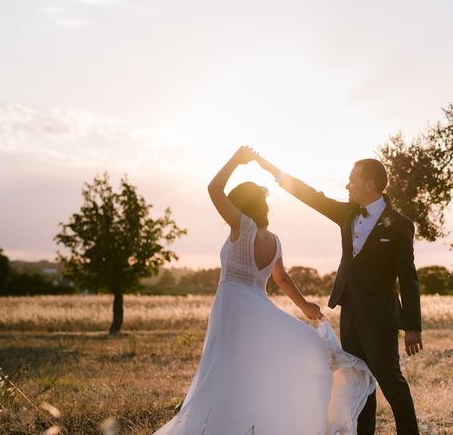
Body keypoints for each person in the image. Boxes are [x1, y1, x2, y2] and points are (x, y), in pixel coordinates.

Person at [154, 146, 375, 435]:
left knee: (222, 371)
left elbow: (213, 188)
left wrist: (235, 159)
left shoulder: (241, 226)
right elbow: (282, 279)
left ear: (240, 205)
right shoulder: (274, 240)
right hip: (257, 306)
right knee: (250, 371)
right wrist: (304, 305)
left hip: (232, 307)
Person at [254, 151, 423, 435]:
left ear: (370, 185)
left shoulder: (400, 225)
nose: (347, 186)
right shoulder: (347, 213)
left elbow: (409, 277)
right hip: (350, 310)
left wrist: (412, 326)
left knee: (389, 378)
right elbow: (312, 196)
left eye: (352, 181)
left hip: (381, 315)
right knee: (359, 377)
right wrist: (272, 169)